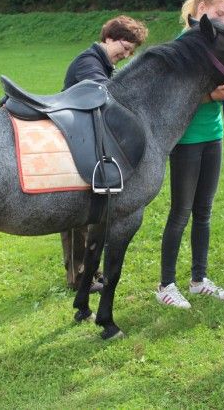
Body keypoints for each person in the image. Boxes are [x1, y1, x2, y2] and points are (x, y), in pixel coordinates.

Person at [155, 0, 224, 309]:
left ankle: (198, 280)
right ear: (201, 8)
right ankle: (166, 285)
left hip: (212, 134)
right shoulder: (183, 45)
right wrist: (212, 95)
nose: (223, 20)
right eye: (219, 14)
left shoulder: (214, 43)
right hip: (187, 139)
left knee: (203, 211)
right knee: (181, 212)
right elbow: (172, 98)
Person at [61, 15, 149, 292]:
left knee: (85, 212)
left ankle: (84, 271)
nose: (127, 54)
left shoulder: (103, 64)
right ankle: (79, 276)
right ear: (109, 37)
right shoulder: (89, 62)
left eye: (131, 51)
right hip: (77, 141)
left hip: (85, 138)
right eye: (125, 46)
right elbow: (110, 96)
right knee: (77, 215)